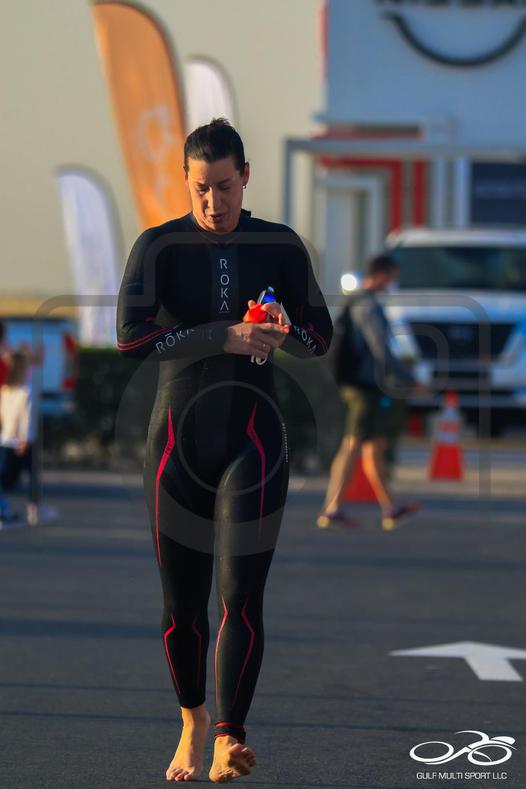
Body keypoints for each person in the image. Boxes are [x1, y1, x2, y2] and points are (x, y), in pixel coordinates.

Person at [116, 118, 333, 783]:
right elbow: (129, 336)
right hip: (175, 444)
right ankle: (193, 719)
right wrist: (225, 335)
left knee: (241, 596)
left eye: (226, 187)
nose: (214, 202)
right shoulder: (160, 246)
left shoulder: (280, 245)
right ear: (186, 181)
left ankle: (229, 736)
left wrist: (286, 328)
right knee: (181, 609)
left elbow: (320, 337)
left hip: (253, 440)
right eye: (202, 188)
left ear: (246, 177)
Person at [317, 254, 420, 532]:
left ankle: (390, 507)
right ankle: (333, 508)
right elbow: (381, 351)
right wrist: (409, 378)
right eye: (393, 276)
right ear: (383, 274)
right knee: (352, 445)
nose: (394, 282)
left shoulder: (357, 301)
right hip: (362, 388)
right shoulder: (367, 305)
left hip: (363, 386)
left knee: (374, 447)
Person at [0, 349, 42, 526]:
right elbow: (27, 418)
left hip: (6, 438)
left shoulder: (5, 390)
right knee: (32, 477)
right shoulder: (26, 391)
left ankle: (7, 510)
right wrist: (25, 438)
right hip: (23, 441)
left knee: (6, 478)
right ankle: (33, 509)